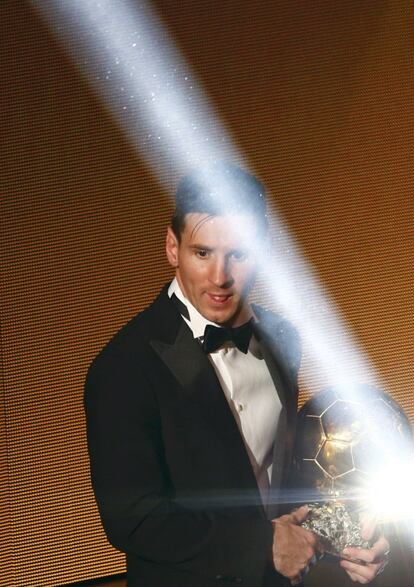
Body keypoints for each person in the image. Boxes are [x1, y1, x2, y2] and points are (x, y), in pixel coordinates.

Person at [84, 163, 389, 586]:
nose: (220, 277)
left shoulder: (283, 339)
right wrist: (262, 546)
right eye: (202, 252)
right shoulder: (124, 368)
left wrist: (357, 532)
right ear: (173, 247)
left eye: (239, 255)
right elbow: (133, 520)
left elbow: (281, 479)